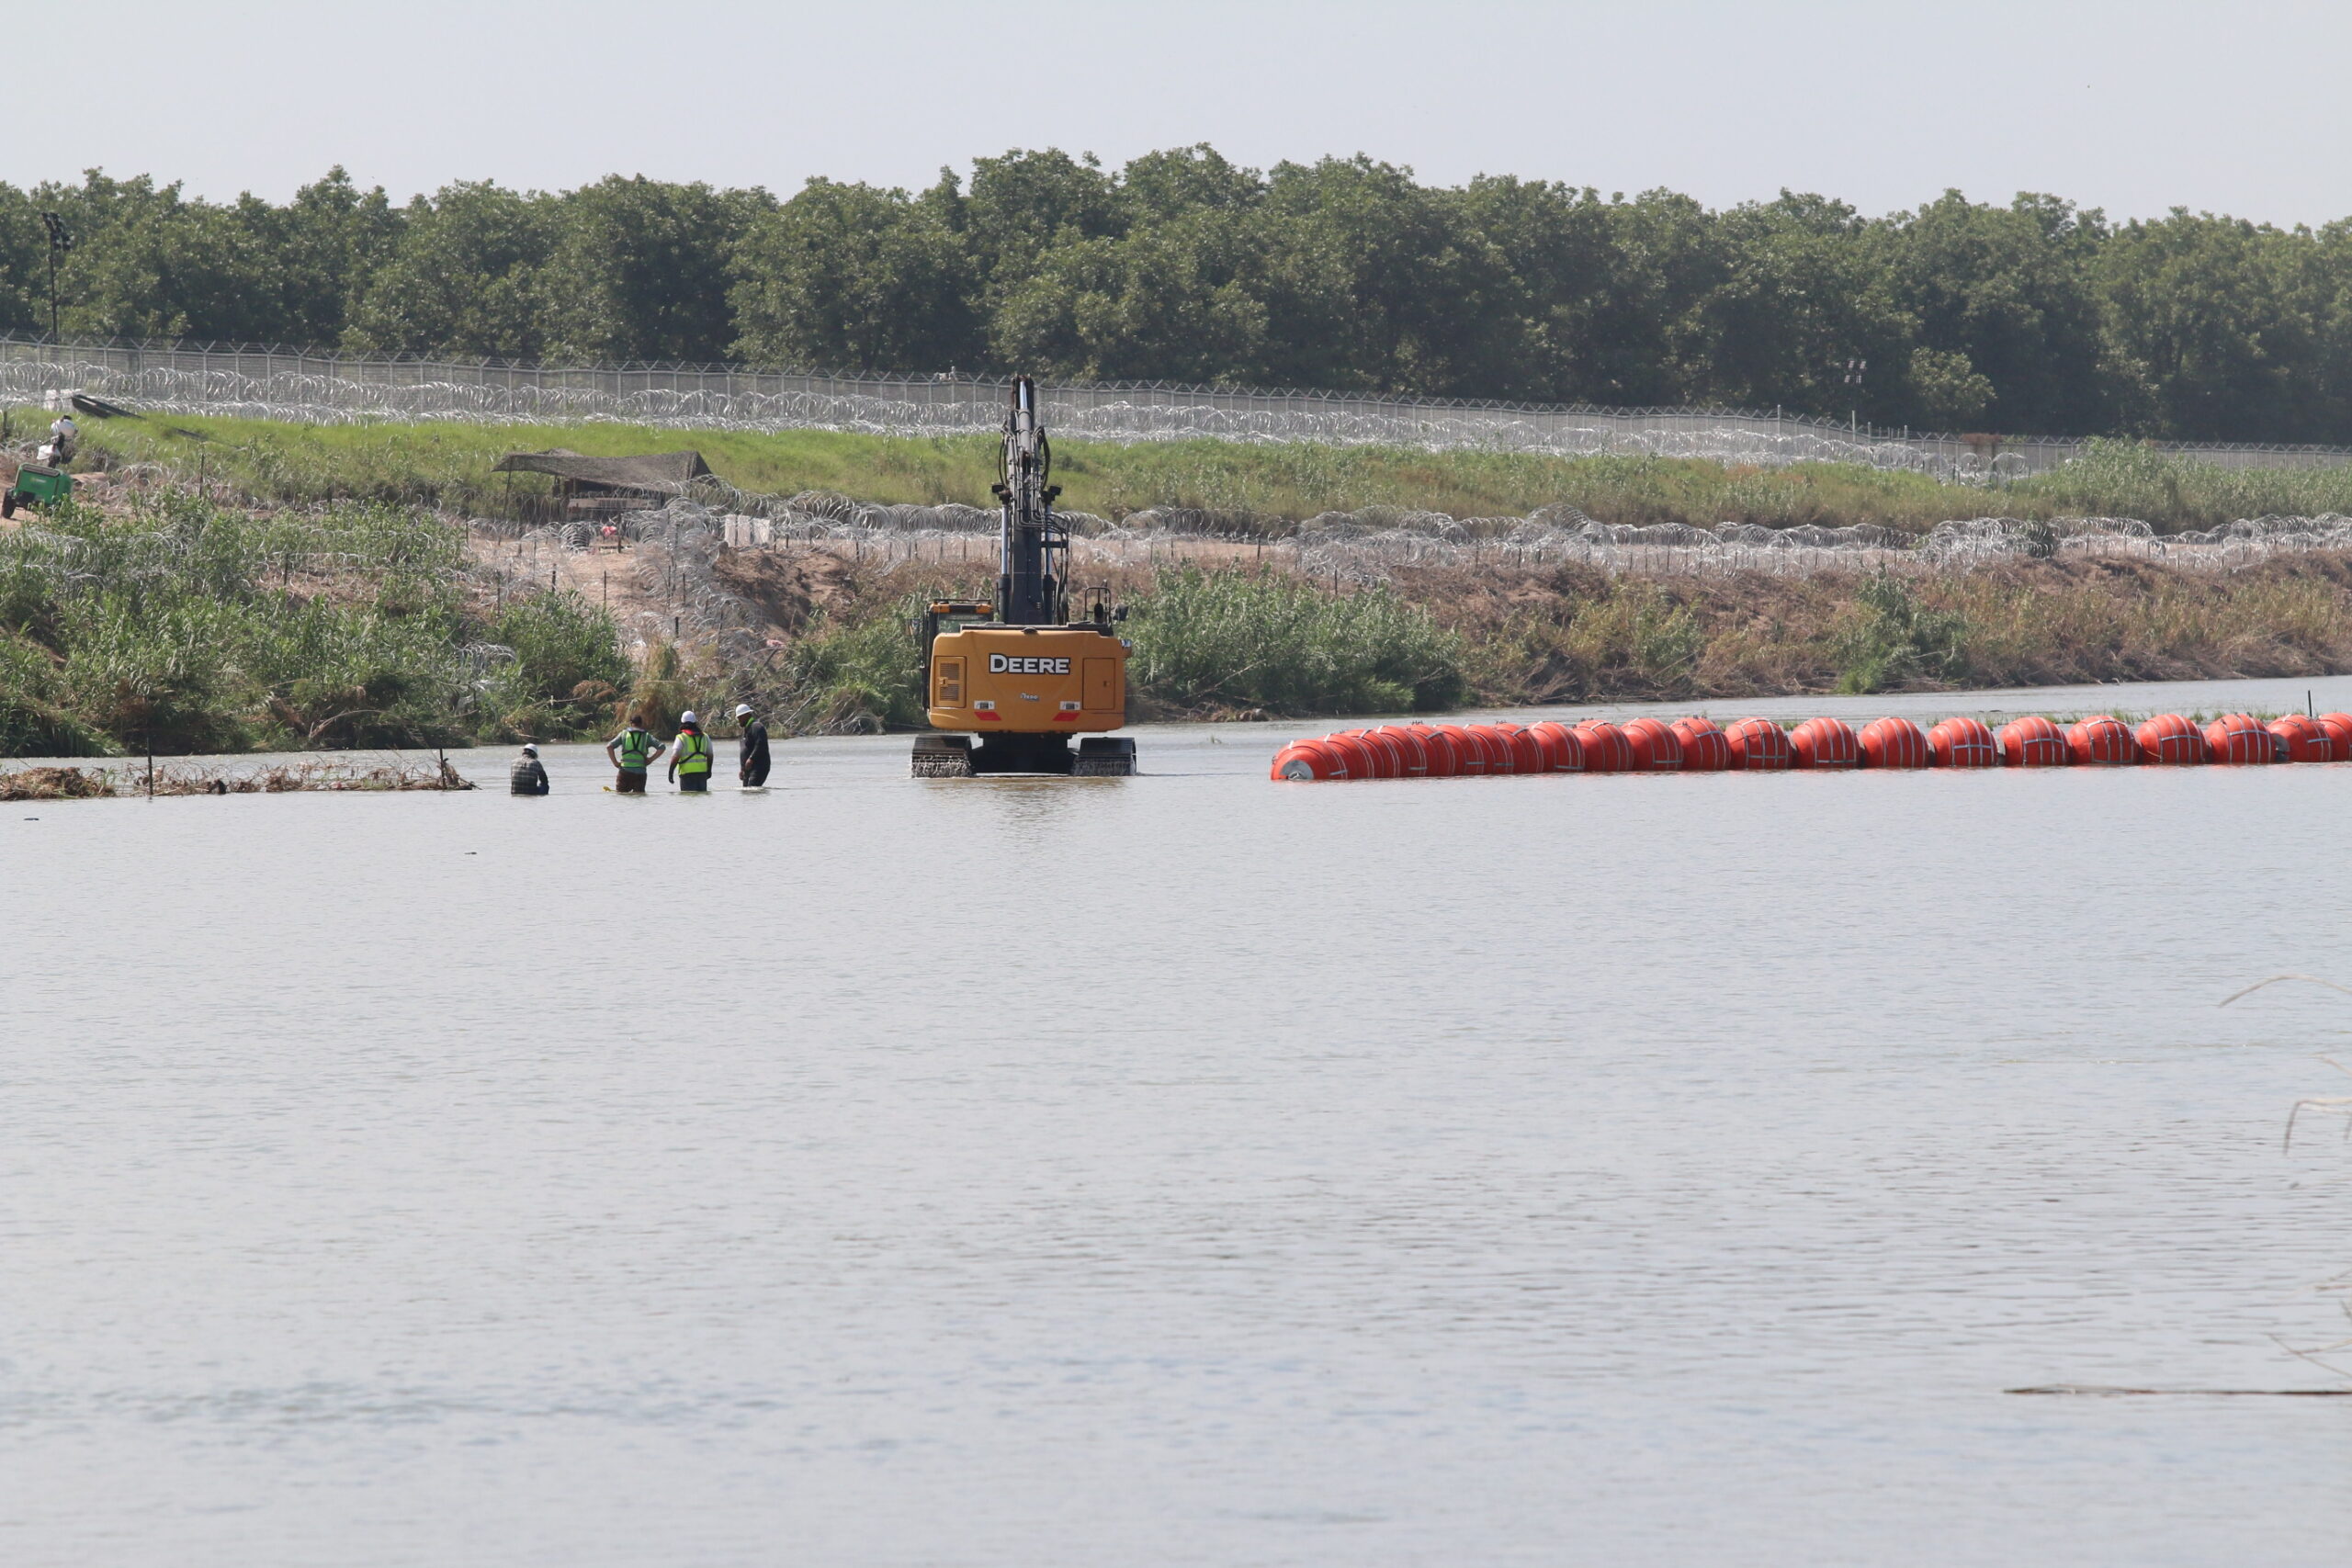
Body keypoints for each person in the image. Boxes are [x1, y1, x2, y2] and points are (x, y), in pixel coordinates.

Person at [605, 715, 664, 794]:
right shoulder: (646, 736)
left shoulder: (624, 734)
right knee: (639, 796)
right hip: (640, 773)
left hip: (625, 772)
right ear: (641, 724)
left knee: (621, 796)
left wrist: (615, 763)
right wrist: (650, 760)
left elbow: (609, 746)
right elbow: (662, 747)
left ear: (631, 723)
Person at [668, 709, 714, 793]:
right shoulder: (705, 737)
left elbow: (675, 756)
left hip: (687, 775)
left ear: (682, 723)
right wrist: (709, 770)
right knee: (702, 798)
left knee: (688, 798)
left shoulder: (681, 737)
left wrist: (670, 773)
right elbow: (710, 755)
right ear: (695, 723)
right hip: (702, 774)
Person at [735, 702, 770, 787]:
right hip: (747, 769)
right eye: (738, 718)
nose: (739, 720)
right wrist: (742, 769)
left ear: (747, 715)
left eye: (740, 717)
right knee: (746, 791)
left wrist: (751, 758)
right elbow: (744, 751)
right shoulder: (745, 731)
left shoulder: (757, 727)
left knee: (753, 789)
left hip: (759, 767)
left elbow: (761, 744)